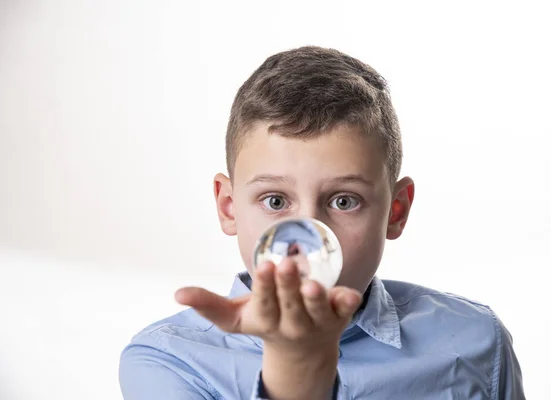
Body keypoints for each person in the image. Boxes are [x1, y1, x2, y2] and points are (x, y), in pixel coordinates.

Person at [119, 45, 526, 399]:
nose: (309, 241)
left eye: (344, 201)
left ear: (395, 211)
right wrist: (295, 365)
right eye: (275, 200)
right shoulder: (169, 362)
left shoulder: (475, 340)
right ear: (229, 207)